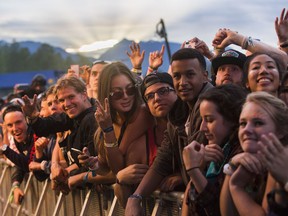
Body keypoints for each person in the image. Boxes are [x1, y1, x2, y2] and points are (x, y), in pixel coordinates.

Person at [125, 48, 214, 215]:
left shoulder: (211, 105)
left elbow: (200, 159)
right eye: (177, 76)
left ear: (205, 75)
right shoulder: (178, 113)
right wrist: (136, 197)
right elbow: (164, 158)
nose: (183, 82)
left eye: (190, 74)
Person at [79, 61, 154, 207]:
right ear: (106, 95)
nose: (126, 96)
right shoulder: (108, 120)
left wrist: (108, 131)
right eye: (117, 93)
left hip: (154, 201)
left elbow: (117, 167)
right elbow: (106, 167)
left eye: (130, 90)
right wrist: (94, 164)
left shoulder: (142, 113)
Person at [20, 76, 98, 193]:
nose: (66, 104)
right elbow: (46, 126)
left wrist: (65, 176)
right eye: (61, 100)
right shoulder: (73, 116)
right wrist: (33, 117)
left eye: (71, 97)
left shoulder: (93, 118)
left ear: (84, 95)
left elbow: (92, 163)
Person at [181, 84, 246, 215]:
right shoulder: (211, 149)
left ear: (232, 119)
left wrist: (193, 170)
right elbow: (194, 206)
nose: (202, 128)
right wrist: (199, 167)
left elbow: (216, 211)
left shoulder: (242, 155)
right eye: (202, 119)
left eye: (209, 120)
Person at [220, 92, 288, 216]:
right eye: (243, 123)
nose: (246, 130)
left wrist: (236, 187)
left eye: (258, 123)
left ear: (281, 131)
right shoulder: (245, 158)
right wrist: (231, 168)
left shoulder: (282, 162)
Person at [0, 104, 35, 204]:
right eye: (10, 125)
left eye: (18, 122)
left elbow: (27, 163)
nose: (15, 128)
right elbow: (21, 164)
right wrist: (15, 185)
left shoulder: (35, 133)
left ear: (26, 120)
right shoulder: (19, 138)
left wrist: (3, 147)